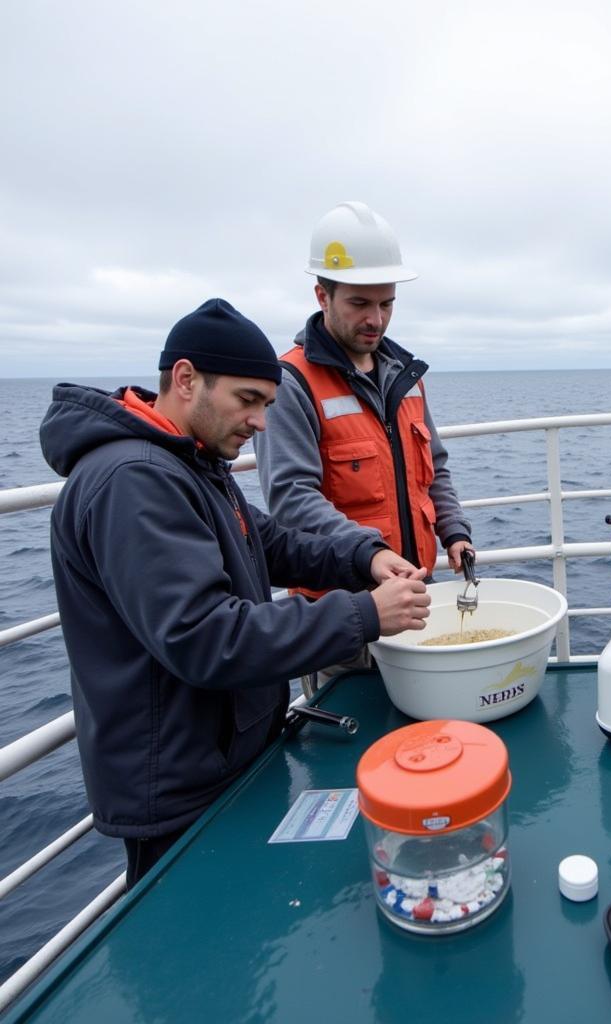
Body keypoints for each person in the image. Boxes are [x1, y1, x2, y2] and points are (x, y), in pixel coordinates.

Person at [40, 298, 431, 888]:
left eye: (267, 405)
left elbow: (268, 541)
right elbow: (205, 637)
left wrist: (365, 556)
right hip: (178, 787)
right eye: (247, 401)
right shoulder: (133, 481)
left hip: (223, 761)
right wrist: (363, 615)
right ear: (186, 379)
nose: (260, 423)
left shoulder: (186, 461)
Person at [254, 201, 473, 599]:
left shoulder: (406, 377)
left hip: (416, 589)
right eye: (359, 304)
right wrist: (369, 554)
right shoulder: (291, 383)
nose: (376, 319)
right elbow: (292, 497)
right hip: (342, 605)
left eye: (386, 304)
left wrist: (454, 530)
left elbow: (435, 469)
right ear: (323, 296)